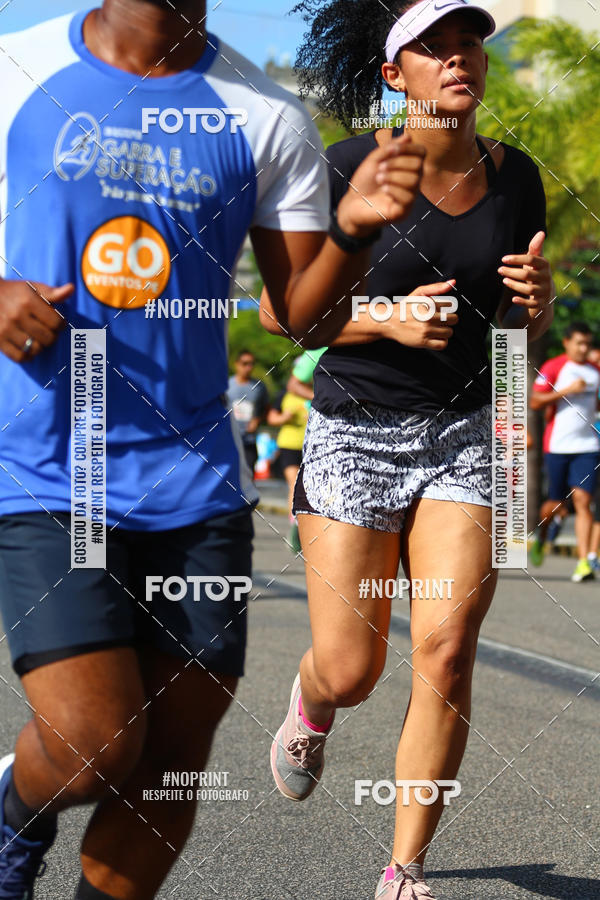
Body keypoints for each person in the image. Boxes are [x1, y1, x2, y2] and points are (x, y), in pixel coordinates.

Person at [0, 1, 427, 897]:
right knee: (93, 745)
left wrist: (353, 230)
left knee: (171, 762)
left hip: (193, 479)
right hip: (52, 466)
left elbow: (301, 315)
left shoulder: (266, 114)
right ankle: (12, 814)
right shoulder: (16, 68)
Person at [261, 1, 554, 897]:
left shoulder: (516, 178)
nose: (460, 59)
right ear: (395, 75)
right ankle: (314, 700)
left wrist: (535, 310)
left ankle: (404, 869)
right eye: (436, 49)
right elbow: (280, 313)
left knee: (447, 649)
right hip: (355, 427)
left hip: (466, 433)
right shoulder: (346, 165)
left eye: (470, 45)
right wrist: (383, 318)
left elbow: (515, 342)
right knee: (354, 668)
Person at [530, 322, 600, 581]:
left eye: (587, 344)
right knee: (555, 504)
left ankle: (583, 563)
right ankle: (543, 533)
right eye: (579, 343)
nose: (583, 348)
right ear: (567, 342)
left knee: (583, 501)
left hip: (588, 446)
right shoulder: (554, 367)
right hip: (558, 445)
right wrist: (567, 391)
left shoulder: (595, 371)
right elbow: (535, 401)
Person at [268, 348, 326, 552]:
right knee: (294, 484)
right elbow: (271, 418)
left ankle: (307, 526)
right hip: (289, 445)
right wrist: (283, 418)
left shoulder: (318, 392)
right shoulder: (284, 394)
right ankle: (295, 526)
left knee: (311, 488)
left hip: (311, 446)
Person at [227, 349, 270, 475]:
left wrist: (257, 420)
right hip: (229, 440)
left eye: (251, 364)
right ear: (236, 364)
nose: (248, 367)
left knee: (248, 477)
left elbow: (267, 409)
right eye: (244, 363)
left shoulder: (259, 387)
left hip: (249, 441)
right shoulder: (227, 386)